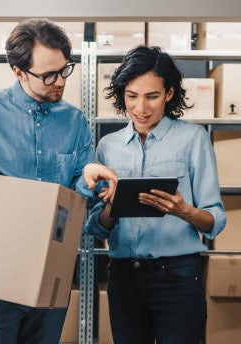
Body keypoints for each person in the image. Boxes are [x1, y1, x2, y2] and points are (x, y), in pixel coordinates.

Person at [0, 19, 116, 344]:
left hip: (49, 278)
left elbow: (77, 202)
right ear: (18, 72)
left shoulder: (75, 123)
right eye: (47, 76)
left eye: (64, 70)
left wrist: (88, 180)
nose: (59, 82)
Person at [82, 46, 227, 344]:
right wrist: (110, 206)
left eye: (152, 96)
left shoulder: (193, 139)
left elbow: (216, 220)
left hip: (178, 275)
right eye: (132, 96)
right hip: (123, 276)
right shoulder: (108, 146)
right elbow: (95, 227)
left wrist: (182, 210)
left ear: (169, 93)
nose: (141, 108)